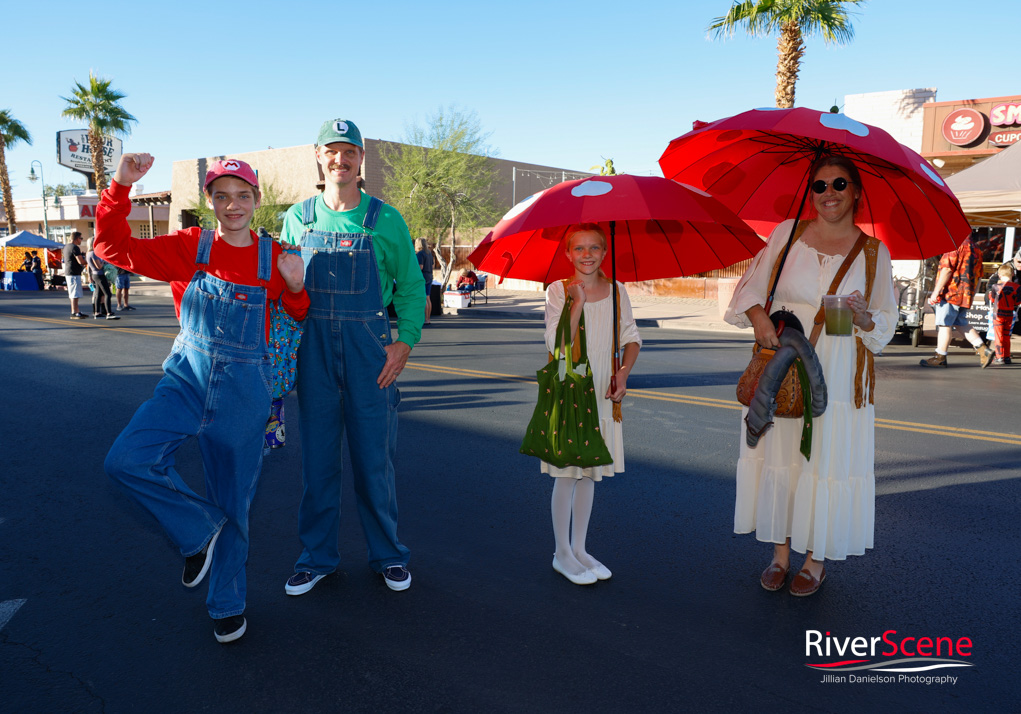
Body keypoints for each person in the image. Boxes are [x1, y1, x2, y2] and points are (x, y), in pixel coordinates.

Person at [97, 153, 309, 643]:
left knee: (235, 502)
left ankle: (227, 605)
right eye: (221, 196)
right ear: (210, 201)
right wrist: (120, 186)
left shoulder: (273, 257)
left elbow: (297, 315)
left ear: (256, 200)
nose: (232, 205)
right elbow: (111, 246)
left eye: (242, 196)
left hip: (244, 393)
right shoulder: (191, 245)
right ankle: (197, 529)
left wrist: (296, 286)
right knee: (126, 460)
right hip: (185, 381)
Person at [724, 155, 897, 597]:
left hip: (836, 373)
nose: (829, 194)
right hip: (783, 360)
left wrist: (863, 316)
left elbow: (885, 324)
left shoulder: (874, 253)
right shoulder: (787, 234)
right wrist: (761, 318)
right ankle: (780, 555)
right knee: (781, 455)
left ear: (857, 191)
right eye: (819, 186)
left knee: (824, 459)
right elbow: (748, 288)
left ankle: (814, 560)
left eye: (839, 184)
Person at [278, 118, 425, 596]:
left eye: (350, 152)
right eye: (331, 152)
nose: (340, 160)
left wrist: (404, 342)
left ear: (361, 160)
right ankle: (316, 558)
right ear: (319, 158)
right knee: (317, 465)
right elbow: (284, 290)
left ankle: (388, 555)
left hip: (370, 359)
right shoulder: (298, 219)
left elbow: (411, 285)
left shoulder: (385, 219)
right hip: (313, 355)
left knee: (373, 464)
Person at [542, 224, 641, 585]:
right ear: (568, 254)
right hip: (572, 392)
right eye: (579, 249)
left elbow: (631, 337)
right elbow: (556, 345)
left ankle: (580, 548)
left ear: (604, 252)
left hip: (602, 390)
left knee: (589, 474)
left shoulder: (618, 292)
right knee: (567, 474)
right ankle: (561, 553)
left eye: (594, 248)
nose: (587, 255)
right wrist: (577, 303)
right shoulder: (558, 291)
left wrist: (624, 373)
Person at [919, 234, 992, 368]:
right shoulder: (977, 249)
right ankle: (983, 349)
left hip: (950, 293)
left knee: (944, 325)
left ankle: (940, 357)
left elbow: (947, 269)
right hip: (965, 294)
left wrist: (936, 292)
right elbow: (979, 276)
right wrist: (972, 294)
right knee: (961, 323)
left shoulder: (954, 246)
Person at [985, 262, 1019, 365]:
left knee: (998, 336)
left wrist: (990, 295)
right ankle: (1007, 357)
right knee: (1006, 336)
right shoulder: (1017, 287)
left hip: (998, 314)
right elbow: (1018, 302)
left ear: (999, 275)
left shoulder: (996, 286)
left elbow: (992, 299)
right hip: (1009, 314)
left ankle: (999, 357)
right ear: (1012, 274)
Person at [86, 240, 118, 320]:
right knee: (107, 294)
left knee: (98, 294)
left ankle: (97, 312)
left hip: (95, 274)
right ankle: (109, 313)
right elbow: (99, 266)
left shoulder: (88, 253)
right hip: (99, 274)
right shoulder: (93, 253)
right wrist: (103, 261)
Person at [63, 232, 89, 318]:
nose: (81, 240)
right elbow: (80, 261)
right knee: (75, 293)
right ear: (77, 238)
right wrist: (89, 261)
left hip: (69, 271)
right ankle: (74, 312)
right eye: (80, 238)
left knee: (73, 293)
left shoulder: (67, 246)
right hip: (73, 272)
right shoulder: (75, 247)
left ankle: (75, 311)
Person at [416, 238, 434, 325]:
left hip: (423, 276)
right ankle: (428, 319)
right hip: (430, 275)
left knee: (423, 298)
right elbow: (433, 265)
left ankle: (425, 319)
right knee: (428, 298)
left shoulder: (420, 254)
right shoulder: (429, 253)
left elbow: (420, 267)